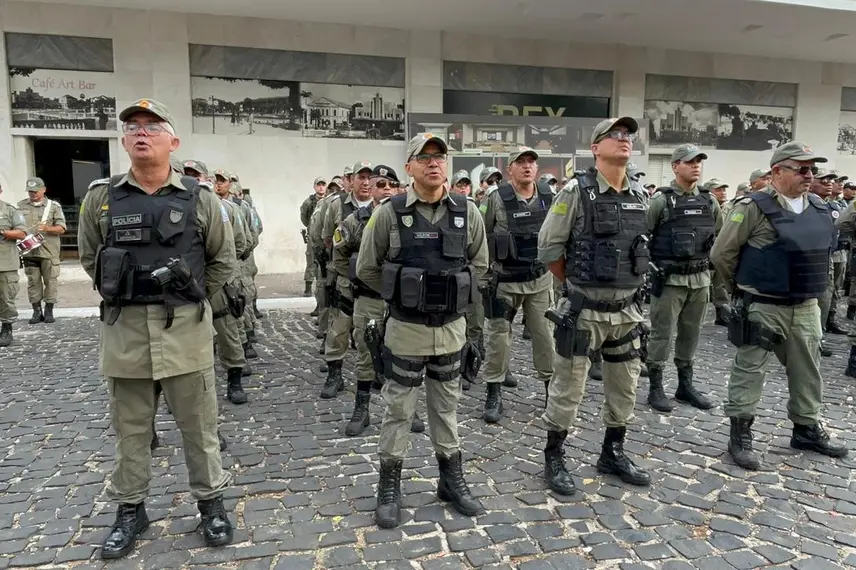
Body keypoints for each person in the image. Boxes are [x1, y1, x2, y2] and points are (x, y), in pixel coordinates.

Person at [77, 99, 233, 558]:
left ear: (173, 141)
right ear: (124, 141)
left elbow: (223, 261)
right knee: (131, 431)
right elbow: (91, 259)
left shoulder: (200, 198)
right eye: (132, 128)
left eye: (152, 126)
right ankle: (131, 510)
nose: (141, 133)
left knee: (199, 428)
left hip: (184, 330)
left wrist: (189, 296)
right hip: (125, 331)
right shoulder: (100, 198)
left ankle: (211, 505)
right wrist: (127, 291)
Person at [357, 133, 488, 528]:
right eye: (424, 157)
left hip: (451, 330)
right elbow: (366, 268)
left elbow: (479, 266)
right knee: (398, 408)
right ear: (410, 166)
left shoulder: (470, 212)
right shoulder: (388, 213)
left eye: (440, 157)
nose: (434, 163)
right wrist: (404, 294)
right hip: (405, 329)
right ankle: (389, 486)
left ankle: (451, 479)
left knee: (446, 408)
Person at [711, 141, 848, 470]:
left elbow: (823, 253)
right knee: (749, 369)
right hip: (763, 305)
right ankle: (740, 434)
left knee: (808, 370)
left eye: (811, 169)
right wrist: (741, 291)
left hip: (805, 307)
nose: (809, 175)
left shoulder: (816, 206)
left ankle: (806, 428)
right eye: (802, 169)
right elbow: (721, 255)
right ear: (777, 172)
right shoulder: (753, 207)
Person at [538, 117, 651, 496]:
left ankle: (612, 452)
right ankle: (554, 455)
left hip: (628, 311)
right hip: (584, 311)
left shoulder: (640, 193)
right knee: (568, 388)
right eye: (614, 135)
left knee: (625, 388)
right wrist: (576, 284)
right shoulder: (575, 192)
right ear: (595, 148)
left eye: (628, 136)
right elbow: (549, 249)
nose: (624, 140)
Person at [479, 146, 555, 423]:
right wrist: (484, 278)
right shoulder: (496, 199)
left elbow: (559, 236)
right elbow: (482, 238)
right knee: (499, 338)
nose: (527, 166)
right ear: (509, 168)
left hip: (539, 281)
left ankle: (551, 391)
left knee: (545, 337)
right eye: (520, 162)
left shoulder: (549, 196)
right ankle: (493, 392)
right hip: (505, 282)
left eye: (531, 162)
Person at [646, 145, 720, 413]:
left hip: (699, 280)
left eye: (699, 161)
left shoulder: (709, 201)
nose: (696, 166)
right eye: (690, 162)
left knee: (691, 334)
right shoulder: (661, 201)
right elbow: (642, 239)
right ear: (675, 166)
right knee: (661, 335)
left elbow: (720, 238)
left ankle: (684, 386)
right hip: (669, 281)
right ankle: (655, 387)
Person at [184, 159, 251, 400]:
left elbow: (242, 243)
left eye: (196, 175)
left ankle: (234, 381)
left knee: (227, 332)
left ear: (206, 179)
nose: (192, 178)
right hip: (187, 283)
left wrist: (219, 273)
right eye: (186, 174)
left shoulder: (227, 209)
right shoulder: (177, 206)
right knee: (188, 337)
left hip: (219, 283)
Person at [319, 161, 370, 398]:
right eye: (361, 177)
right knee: (339, 328)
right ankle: (335, 374)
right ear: (352, 179)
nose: (366, 183)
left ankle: (374, 372)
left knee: (372, 329)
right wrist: (347, 272)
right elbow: (329, 240)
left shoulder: (386, 207)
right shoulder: (337, 204)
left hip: (375, 283)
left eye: (371, 178)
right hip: (346, 277)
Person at [17, 177, 66, 324]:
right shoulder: (20, 206)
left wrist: (47, 228)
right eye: (30, 192)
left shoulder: (53, 206)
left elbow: (62, 228)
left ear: (44, 189)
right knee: (33, 282)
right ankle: (36, 311)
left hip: (49, 251)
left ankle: (49, 309)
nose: (33, 194)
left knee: (50, 281)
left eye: (36, 191)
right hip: (29, 251)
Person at [0, 184, 26, 347]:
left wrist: (3, 232)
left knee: (6, 297)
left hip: (5, 263)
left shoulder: (10, 210)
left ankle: (6, 327)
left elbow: (22, 233)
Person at [300, 177, 327, 297]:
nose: (321, 187)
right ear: (315, 187)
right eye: (318, 185)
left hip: (326, 234)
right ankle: (308, 287)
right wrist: (312, 228)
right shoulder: (309, 202)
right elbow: (304, 217)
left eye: (323, 184)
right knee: (311, 260)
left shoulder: (330, 200)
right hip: (312, 235)